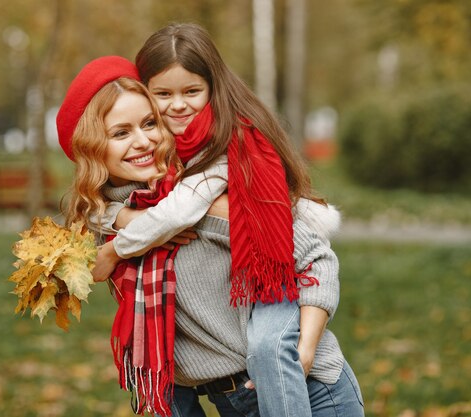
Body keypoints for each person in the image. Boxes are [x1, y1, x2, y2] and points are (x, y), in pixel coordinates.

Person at [56, 54, 363, 417]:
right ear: (91, 147)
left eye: (150, 123)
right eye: (121, 133)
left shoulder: (201, 199)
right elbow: (59, 282)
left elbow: (317, 258)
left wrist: (305, 351)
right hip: (232, 401)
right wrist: (119, 220)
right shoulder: (102, 222)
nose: (143, 141)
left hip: (307, 388)